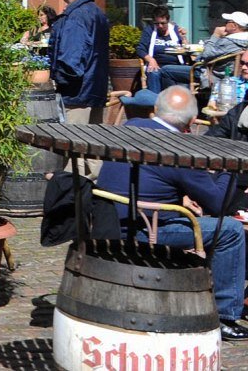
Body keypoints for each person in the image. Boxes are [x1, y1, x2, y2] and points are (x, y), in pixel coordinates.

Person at [97, 86, 248, 340]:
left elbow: (154, 180)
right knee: (230, 231)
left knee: (202, 220)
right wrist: (230, 167)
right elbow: (218, 203)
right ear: (191, 122)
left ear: (156, 110)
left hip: (108, 219)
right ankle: (224, 315)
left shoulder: (130, 125)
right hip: (147, 230)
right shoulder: (179, 149)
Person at [51, 0, 110, 128]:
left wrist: (59, 81)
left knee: (74, 146)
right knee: (94, 147)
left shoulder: (76, 16)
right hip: (96, 90)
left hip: (77, 95)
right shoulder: (98, 13)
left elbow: (70, 59)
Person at [140, 5, 191, 92]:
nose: (160, 26)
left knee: (167, 73)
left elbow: (187, 49)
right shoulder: (149, 31)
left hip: (175, 65)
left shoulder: (175, 30)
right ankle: (154, 102)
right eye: (157, 23)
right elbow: (140, 49)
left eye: (163, 23)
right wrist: (151, 60)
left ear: (168, 21)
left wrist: (183, 38)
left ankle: (171, 102)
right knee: (153, 73)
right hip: (156, 64)